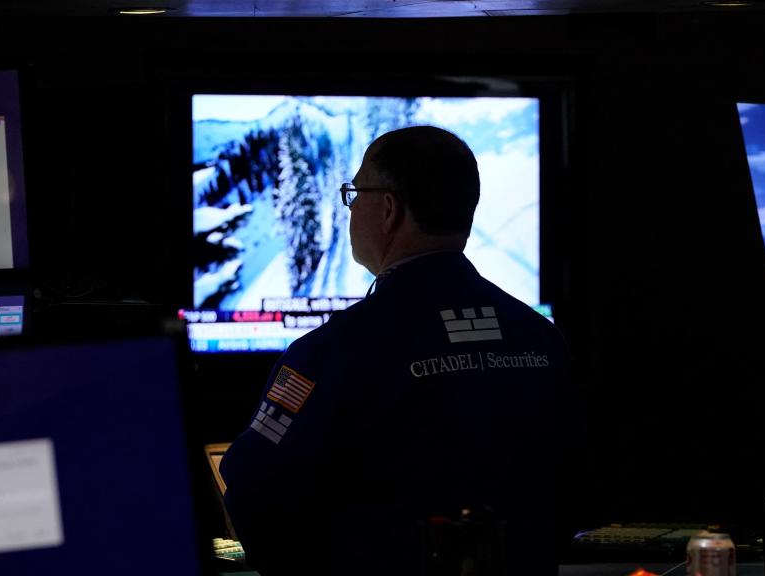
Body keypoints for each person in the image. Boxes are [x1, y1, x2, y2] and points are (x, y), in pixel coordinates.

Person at [219, 125, 586, 576]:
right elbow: (576, 491)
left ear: (389, 209)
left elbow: (253, 488)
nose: (351, 208)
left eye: (354, 194)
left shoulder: (334, 352)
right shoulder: (541, 339)